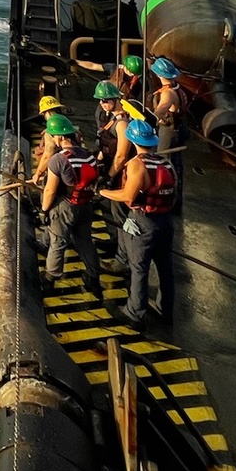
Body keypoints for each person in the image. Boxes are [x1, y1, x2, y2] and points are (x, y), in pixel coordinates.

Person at [100, 119, 177, 326]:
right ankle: (165, 310)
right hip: (165, 221)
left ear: (132, 140)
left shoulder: (136, 165)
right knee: (165, 269)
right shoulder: (165, 163)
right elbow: (174, 195)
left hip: (143, 222)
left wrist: (103, 192)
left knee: (139, 267)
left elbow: (129, 196)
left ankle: (134, 312)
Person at [38, 114, 103, 296]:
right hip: (86, 205)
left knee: (58, 242)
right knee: (85, 242)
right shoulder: (88, 155)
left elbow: (50, 190)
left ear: (59, 137)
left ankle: (50, 279)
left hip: (66, 207)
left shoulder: (58, 160)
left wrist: (44, 211)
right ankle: (93, 277)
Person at [149, 55, 190, 207]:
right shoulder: (177, 88)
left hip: (169, 131)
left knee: (165, 162)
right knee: (177, 164)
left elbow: (162, 108)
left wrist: (149, 118)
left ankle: (168, 198)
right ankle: (176, 197)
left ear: (159, 75)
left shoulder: (168, 93)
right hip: (180, 128)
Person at [31, 95, 65, 186]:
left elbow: (48, 155)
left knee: (39, 151)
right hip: (72, 161)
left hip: (60, 166)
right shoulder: (66, 122)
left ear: (46, 113)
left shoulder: (51, 133)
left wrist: (38, 173)